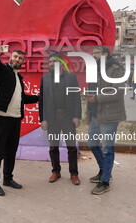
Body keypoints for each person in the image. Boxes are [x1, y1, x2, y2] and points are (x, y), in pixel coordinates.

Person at [0, 41, 39, 196]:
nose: (17, 60)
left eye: (20, 58)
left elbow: (22, 98)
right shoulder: (2, 70)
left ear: (23, 62)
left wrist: (39, 98)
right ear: (10, 57)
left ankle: (8, 179)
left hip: (16, 119)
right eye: (15, 57)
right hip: (1, 118)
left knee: (11, 151)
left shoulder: (18, 78)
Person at [86, 45, 126, 195]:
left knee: (107, 148)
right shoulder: (94, 69)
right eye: (93, 52)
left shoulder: (115, 69)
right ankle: (105, 171)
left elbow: (119, 91)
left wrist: (97, 98)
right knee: (92, 144)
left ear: (106, 54)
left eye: (98, 53)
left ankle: (105, 181)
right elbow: (91, 90)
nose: (94, 55)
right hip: (96, 113)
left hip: (110, 115)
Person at [39, 52, 82, 185]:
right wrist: (43, 119)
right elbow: (42, 100)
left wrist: (77, 116)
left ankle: (74, 174)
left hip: (68, 117)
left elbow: (76, 98)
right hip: (52, 118)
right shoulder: (45, 79)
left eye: (55, 61)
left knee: (71, 147)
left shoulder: (71, 77)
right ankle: (55, 171)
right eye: (50, 62)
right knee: (53, 147)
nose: (52, 64)